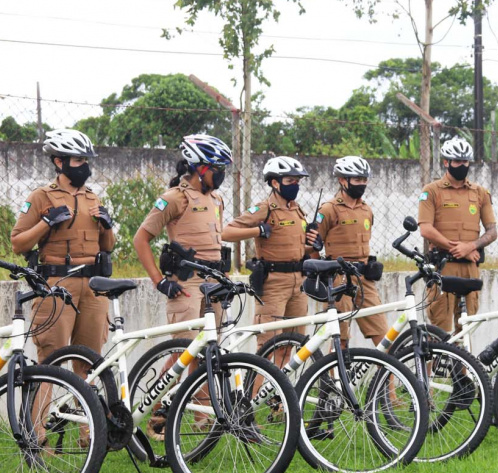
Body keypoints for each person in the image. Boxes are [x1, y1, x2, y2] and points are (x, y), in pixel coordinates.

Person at [10, 129, 114, 447]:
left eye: (86, 160)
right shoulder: (42, 196)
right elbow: (17, 243)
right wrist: (47, 223)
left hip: (93, 286)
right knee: (50, 361)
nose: (84, 166)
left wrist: (109, 226)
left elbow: (107, 245)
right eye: (78, 160)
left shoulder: (92, 196)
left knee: (89, 361)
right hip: (57, 284)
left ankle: (88, 435)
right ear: (59, 162)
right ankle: (37, 437)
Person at [133, 133, 231, 440]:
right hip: (186, 284)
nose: (221, 174)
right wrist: (160, 282)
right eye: (216, 167)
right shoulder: (175, 197)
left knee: (208, 354)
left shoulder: (217, 199)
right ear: (198, 167)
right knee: (182, 352)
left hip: (214, 282)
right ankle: (158, 414)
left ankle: (202, 411)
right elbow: (141, 239)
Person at [222, 156, 319, 347]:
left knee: (292, 344)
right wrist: (257, 231)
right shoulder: (264, 209)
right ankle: (257, 378)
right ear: (275, 182)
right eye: (290, 181)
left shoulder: (297, 210)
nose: (295, 185)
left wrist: (313, 244)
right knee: (268, 346)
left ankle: (280, 379)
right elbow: (226, 232)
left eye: (297, 181)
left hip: (298, 283)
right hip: (273, 285)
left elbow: (296, 247)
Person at [418, 137, 497, 333]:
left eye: (465, 161)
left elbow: (492, 231)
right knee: (439, 331)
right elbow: (426, 229)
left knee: (466, 330)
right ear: (446, 162)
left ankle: (464, 366)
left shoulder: (480, 193)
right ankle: (435, 365)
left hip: (470, 267)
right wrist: (458, 249)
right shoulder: (431, 191)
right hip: (443, 267)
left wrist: (470, 247)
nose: (462, 165)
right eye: (457, 161)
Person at [314, 156, 386, 347]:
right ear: (342, 180)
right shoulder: (329, 209)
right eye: (357, 180)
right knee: (341, 338)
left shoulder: (367, 210)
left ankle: (388, 378)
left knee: (384, 337)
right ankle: (334, 377)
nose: (361, 184)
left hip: (364, 279)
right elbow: (312, 246)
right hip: (339, 278)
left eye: (364, 180)